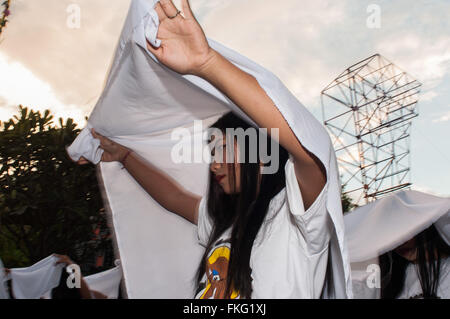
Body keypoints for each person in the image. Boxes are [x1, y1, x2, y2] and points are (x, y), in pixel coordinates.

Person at [78, 0, 334, 298]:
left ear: (260, 149)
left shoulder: (297, 215)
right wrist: (124, 155)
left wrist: (206, 64)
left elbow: (310, 150)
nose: (214, 165)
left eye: (224, 149)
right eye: (212, 153)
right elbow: (173, 197)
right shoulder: (222, 222)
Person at [379, 224, 450, 299]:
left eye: (406, 231)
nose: (400, 242)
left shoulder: (446, 270)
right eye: (392, 234)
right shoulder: (397, 274)